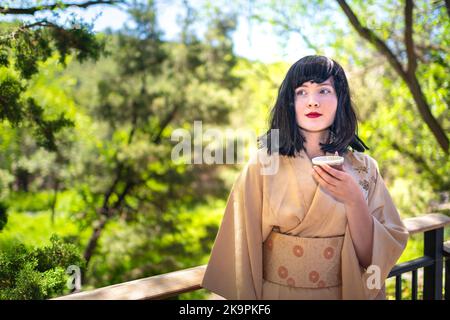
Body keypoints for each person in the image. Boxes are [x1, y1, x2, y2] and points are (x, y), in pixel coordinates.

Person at [201, 55, 409, 300]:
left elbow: (371, 258)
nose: (312, 102)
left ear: (340, 100)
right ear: (290, 103)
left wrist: (354, 200)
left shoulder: (365, 168)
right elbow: (239, 252)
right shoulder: (262, 164)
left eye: (323, 90)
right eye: (301, 92)